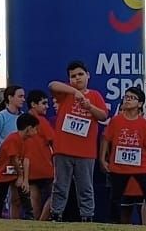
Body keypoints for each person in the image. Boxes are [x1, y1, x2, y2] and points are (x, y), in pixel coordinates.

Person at [46, 61, 110, 222]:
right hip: (63, 148)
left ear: (88, 75)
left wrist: (89, 107)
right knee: (60, 185)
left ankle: (87, 216)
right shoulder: (66, 93)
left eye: (80, 74)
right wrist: (75, 92)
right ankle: (56, 214)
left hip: (86, 151)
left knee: (85, 186)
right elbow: (52, 85)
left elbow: (103, 116)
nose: (77, 78)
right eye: (73, 76)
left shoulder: (95, 95)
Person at [100, 87, 146, 226]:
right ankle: (113, 221)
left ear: (140, 104)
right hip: (119, 165)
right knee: (115, 196)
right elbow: (106, 139)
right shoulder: (115, 121)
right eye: (126, 97)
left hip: (141, 165)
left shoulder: (145, 124)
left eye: (132, 97)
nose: (127, 99)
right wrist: (102, 159)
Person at [0, 114, 54, 220]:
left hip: (16, 173)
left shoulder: (26, 141)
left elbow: (26, 160)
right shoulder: (13, 139)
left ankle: (29, 217)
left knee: (24, 195)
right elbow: (14, 159)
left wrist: (25, 180)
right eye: (35, 129)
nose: (36, 132)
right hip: (3, 174)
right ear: (29, 129)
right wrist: (21, 176)